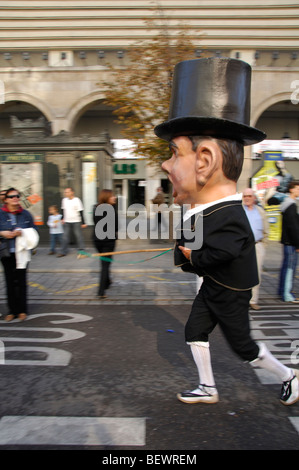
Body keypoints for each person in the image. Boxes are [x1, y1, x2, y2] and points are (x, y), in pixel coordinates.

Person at [154, 57, 299, 406]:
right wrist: (185, 250)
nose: (165, 164)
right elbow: (196, 252)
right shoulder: (204, 211)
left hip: (230, 291)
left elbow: (222, 253)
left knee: (244, 348)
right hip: (214, 287)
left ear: (204, 160)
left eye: (174, 153)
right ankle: (207, 387)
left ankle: (289, 376)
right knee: (194, 331)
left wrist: (191, 253)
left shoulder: (230, 213)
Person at [0, 188, 39, 321]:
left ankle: (22, 310)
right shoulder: (1, 213)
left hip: (22, 253)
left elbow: (34, 230)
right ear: (6, 200)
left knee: (21, 282)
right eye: (12, 196)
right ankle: (12, 311)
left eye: (17, 196)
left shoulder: (26, 214)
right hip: (6, 252)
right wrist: (2, 233)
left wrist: (23, 232)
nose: (15, 198)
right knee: (10, 282)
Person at [243, 188, 269, 310]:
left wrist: (263, 245)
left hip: (257, 245)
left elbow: (266, 229)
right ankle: (241, 300)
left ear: (254, 198)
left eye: (249, 196)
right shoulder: (239, 211)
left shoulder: (260, 211)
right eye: (245, 196)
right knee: (241, 273)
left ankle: (253, 300)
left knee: (256, 274)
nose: (247, 198)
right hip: (242, 247)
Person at [93, 189, 118, 298]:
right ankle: (101, 291)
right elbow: (116, 226)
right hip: (108, 241)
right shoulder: (112, 209)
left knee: (105, 262)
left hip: (97, 240)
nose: (114, 198)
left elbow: (95, 222)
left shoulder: (95, 208)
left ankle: (107, 282)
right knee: (105, 264)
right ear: (107, 197)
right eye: (112, 196)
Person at [278, 181, 299, 303]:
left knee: (286, 267)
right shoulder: (291, 205)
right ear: (291, 190)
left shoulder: (287, 204)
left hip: (288, 242)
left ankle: (282, 291)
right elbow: (293, 227)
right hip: (291, 242)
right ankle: (287, 294)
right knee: (290, 268)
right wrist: (298, 243)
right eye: (297, 188)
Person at [59, 187, 87, 257]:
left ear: (72, 192)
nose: (66, 193)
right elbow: (62, 210)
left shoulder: (77, 200)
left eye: (67, 192)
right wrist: (62, 218)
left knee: (78, 236)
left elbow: (81, 211)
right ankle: (63, 251)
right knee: (65, 237)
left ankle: (81, 250)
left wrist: (83, 222)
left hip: (76, 221)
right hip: (67, 221)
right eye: (65, 192)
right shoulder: (64, 200)